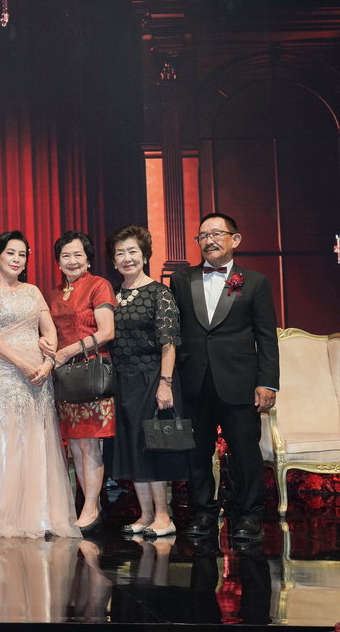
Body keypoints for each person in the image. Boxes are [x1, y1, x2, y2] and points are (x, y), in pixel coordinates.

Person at [169, 213, 279, 544]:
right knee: (197, 453)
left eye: (217, 234)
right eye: (203, 236)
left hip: (240, 382)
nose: (210, 240)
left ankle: (249, 515)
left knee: (245, 452)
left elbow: (266, 336)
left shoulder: (255, 281)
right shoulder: (181, 280)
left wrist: (267, 382)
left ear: (236, 239)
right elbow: (174, 333)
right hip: (194, 380)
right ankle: (203, 512)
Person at [0, 231, 79, 538]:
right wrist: (23, 364)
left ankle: (40, 512)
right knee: (7, 432)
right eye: (10, 253)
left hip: (38, 372)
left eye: (22, 255)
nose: (16, 259)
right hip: (4, 369)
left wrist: (47, 363)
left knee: (38, 433)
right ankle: (2, 511)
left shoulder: (33, 291)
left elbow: (50, 332)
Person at [108, 225, 187, 537]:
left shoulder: (159, 293)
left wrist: (165, 383)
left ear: (144, 256)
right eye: (120, 253)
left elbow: (169, 343)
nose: (127, 258)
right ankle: (145, 515)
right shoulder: (113, 296)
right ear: (113, 262)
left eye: (132, 252)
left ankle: (164, 517)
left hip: (152, 377)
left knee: (153, 447)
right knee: (132, 447)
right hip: (123, 381)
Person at [44, 230, 116, 532]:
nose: (72, 261)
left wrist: (69, 350)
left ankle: (89, 509)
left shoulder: (99, 285)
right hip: (65, 378)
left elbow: (107, 332)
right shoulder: (53, 294)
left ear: (88, 259)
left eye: (78, 255)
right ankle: (90, 505)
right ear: (58, 261)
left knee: (90, 446)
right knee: (75, 445)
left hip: (92, 374)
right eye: (66, 256)